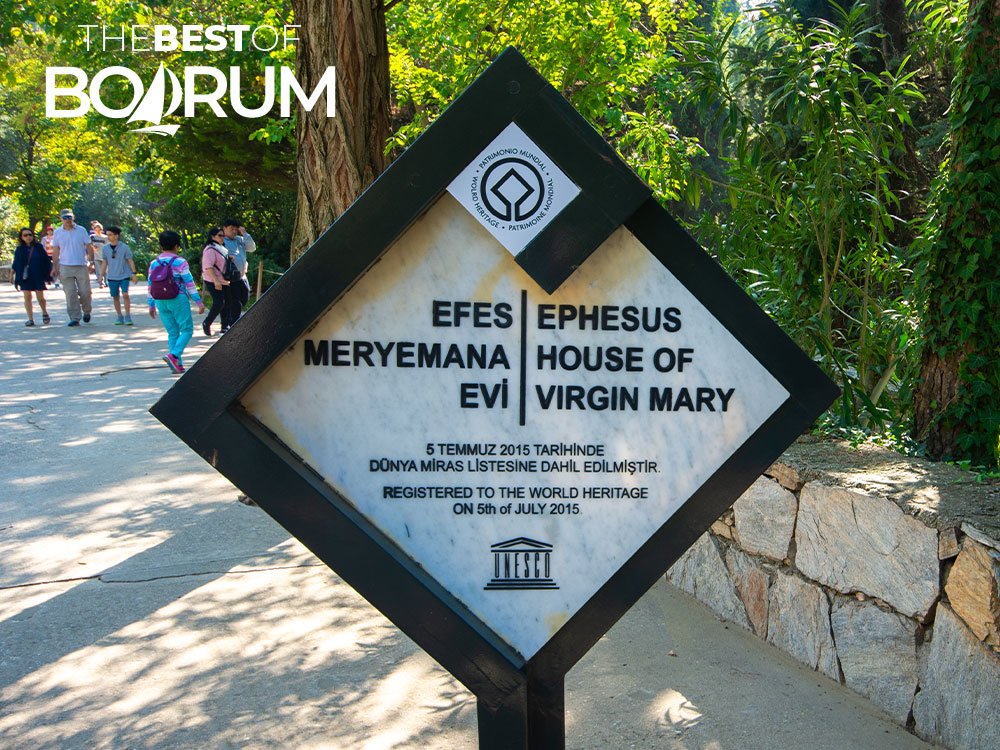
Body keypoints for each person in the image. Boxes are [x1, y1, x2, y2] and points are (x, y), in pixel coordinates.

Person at [146, 230, 204, 373]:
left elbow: (150, 284)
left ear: (161, 246)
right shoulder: (180, 262)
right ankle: (174, 355)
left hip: (160, 300)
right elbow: (189, 282)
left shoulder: (154, 263)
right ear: (177, 246)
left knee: (172, 332)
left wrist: (151, 304)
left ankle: (176, 365)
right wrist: (198, 301)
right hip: (177, 298)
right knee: (187, 330)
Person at [51, 209, 95, 327]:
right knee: (70, 293)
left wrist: (91, 261)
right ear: (61, 219)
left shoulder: (81, 230)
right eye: (65, 218)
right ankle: (75, 317)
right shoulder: (58, 232)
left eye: (69, 217)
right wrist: (54, 267)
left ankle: (86, 310)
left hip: (81, 265)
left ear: (73, 218)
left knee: (85, 292)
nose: (67, 220)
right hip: (65, 266)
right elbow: (56, 250)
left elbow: (89, 247)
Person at [220, 218, 256, 331]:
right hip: (230, 278)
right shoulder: (221, 242)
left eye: (236, 229)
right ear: (224, 228)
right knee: (236, 302)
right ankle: (233, 324)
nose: (234, 232)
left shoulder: (240, 240)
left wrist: (244, 233)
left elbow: (252, 248)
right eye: (231, 229)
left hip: (242, 276)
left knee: (245, 298)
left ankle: (232, 319)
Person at [11, 228, 52, 326]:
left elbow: (45, 260)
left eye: (30, 235)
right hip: (26, 276)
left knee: (40, 297)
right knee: (27, 297)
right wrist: (12, 274)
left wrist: (49, 273)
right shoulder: (19, 249)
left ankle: (44, 312)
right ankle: (30, 319)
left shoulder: (38, 247)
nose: (28, 237)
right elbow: (16, 263)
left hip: (37, 274)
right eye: (25, 235)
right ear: (21, 237)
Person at [200, 227, 234, 337]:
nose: (222, 237)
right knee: (219, 302)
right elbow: (208, 267)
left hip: (224, 280)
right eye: (220, 235)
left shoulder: (221, 248)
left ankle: (225, 327)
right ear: (212, 237)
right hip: (213, 280)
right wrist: (216, 281)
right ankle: (207, 322)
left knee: (227, 303)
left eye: (223, 235)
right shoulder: (209, 249)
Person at [100, 226, 137, 325]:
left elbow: (130, 260)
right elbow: (104, 262)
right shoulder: (105, 248)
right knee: (115, 296)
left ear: (116, 236)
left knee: (125, 294)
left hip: (124, 275)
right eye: (107, 235)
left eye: (110, 235)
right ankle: (119, 316)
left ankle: (128, 315)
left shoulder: (124, 247)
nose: (108, 237)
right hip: (112, 276)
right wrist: (101, 275)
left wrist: (133, 273)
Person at [90, 221, 108, 288]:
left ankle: (106, 282)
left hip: (104, 256)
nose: (97, 231)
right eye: (96, 229)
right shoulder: (92, 237)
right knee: (98, 270)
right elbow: (89, 244)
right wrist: (93, 247)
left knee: (105, 270)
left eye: (99, 229)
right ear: (94, 229)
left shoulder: (105, 237)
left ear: (101, 230)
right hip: (96, 256)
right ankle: (101, 283)